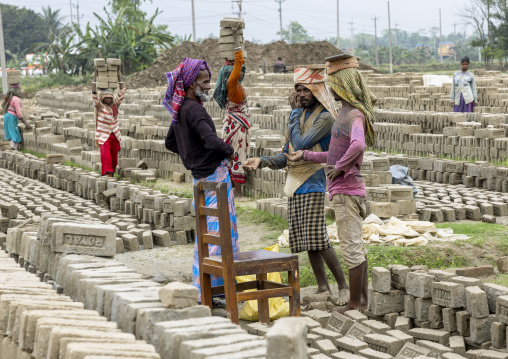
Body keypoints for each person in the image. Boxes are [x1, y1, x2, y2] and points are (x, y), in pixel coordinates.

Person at [243, 68, 350, 305]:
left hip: (313, 182)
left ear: (318, 91)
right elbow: (288, 154)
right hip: (295, 184)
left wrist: (292, 113)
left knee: (319, 239)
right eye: (298, 90)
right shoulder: (300, 115)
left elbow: (300, 143)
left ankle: (343, 286)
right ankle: (323, 288)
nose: (301, 94)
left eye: (306, 90)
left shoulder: (324, 118)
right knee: (308, 240)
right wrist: (261, 161)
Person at [286, 54, 377, 313]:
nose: (329, 88)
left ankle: (353, 304)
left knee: (350, 249)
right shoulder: (344, 114)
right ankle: (363, 301)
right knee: (355, 248)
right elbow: (333, 154)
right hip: (342, 190)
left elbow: (358, 145)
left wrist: (340, 167)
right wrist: (305, 155)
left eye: (333, 83)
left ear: (343, 86)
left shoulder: (354, 116)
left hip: (348, 191)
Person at [164, 58, 237, 304]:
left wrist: (191, 156)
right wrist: (229, 150)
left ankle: (208, 289)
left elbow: (170, 143)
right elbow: (210, 140)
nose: (208, 86)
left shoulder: (180, 109)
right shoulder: (194, 109)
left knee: (207, 235)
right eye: (205, 82)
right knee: (219, 235)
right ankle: (220, 289)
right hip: (214, 179)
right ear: (190, 82)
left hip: (199, 180)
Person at [214, 22, 250, 199]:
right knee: (238, 155)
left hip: (231, 124)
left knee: (232, 154)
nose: (242, 73)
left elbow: (238, 63)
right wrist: (235, 36)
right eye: (239, 72)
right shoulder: (232, 84)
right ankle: (238, 191)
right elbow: (239, 60)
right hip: (236, 127)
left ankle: (231, 188)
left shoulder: (232, 86)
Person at [92, 68, 126, 177]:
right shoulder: (99, 106)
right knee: (106, 156)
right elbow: (93, 92)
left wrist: (119, 76)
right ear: (102, 99)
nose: (109, 99)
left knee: (114, 159)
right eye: (106, 98)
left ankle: (112, 173)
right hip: (103, 136)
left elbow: (122, 91)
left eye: (110, 97)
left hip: (115, 135)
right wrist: (95, 76)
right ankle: (108, 176)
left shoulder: (115, 106)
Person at [2, 84, 31, 150]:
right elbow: (18, 112)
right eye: (19, 89)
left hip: (6, 116)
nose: (20, 91)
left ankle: (13, 151)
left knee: (11, 134)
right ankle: (14, 150)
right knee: (15, 135)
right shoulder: (16, 99)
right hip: (11, 117)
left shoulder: (9, 97)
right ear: (16, 90)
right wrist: (25, 122)